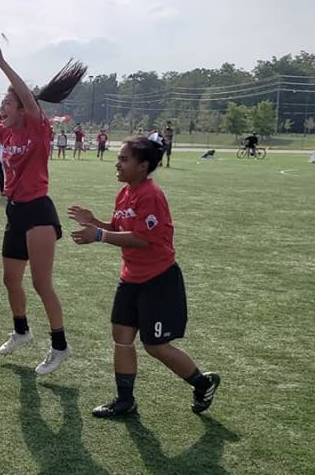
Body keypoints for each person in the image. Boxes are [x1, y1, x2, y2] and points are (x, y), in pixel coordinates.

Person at [0, 34, 84, 374]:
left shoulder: (38, 129)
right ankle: (21, 331)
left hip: (39, 212)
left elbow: (26, 96)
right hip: (15, 212)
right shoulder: (6, 133)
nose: (0, 111)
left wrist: (0, 63)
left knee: (42, 283)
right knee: (10, 279)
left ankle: (59, 346)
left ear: (22, 109)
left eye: (6, 106)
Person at [67, 136, 220, 417]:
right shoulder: (126, 192)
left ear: (143, 166)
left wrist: (99, 235)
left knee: (155, 345)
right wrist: (94, 222)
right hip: (131, 277)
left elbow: (141, 238)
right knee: (121, 337)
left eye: (124, 159)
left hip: (158, 279)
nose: (117, 163)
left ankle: (203, 382)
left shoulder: (151, 195)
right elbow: (119, 228)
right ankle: (125, 400)